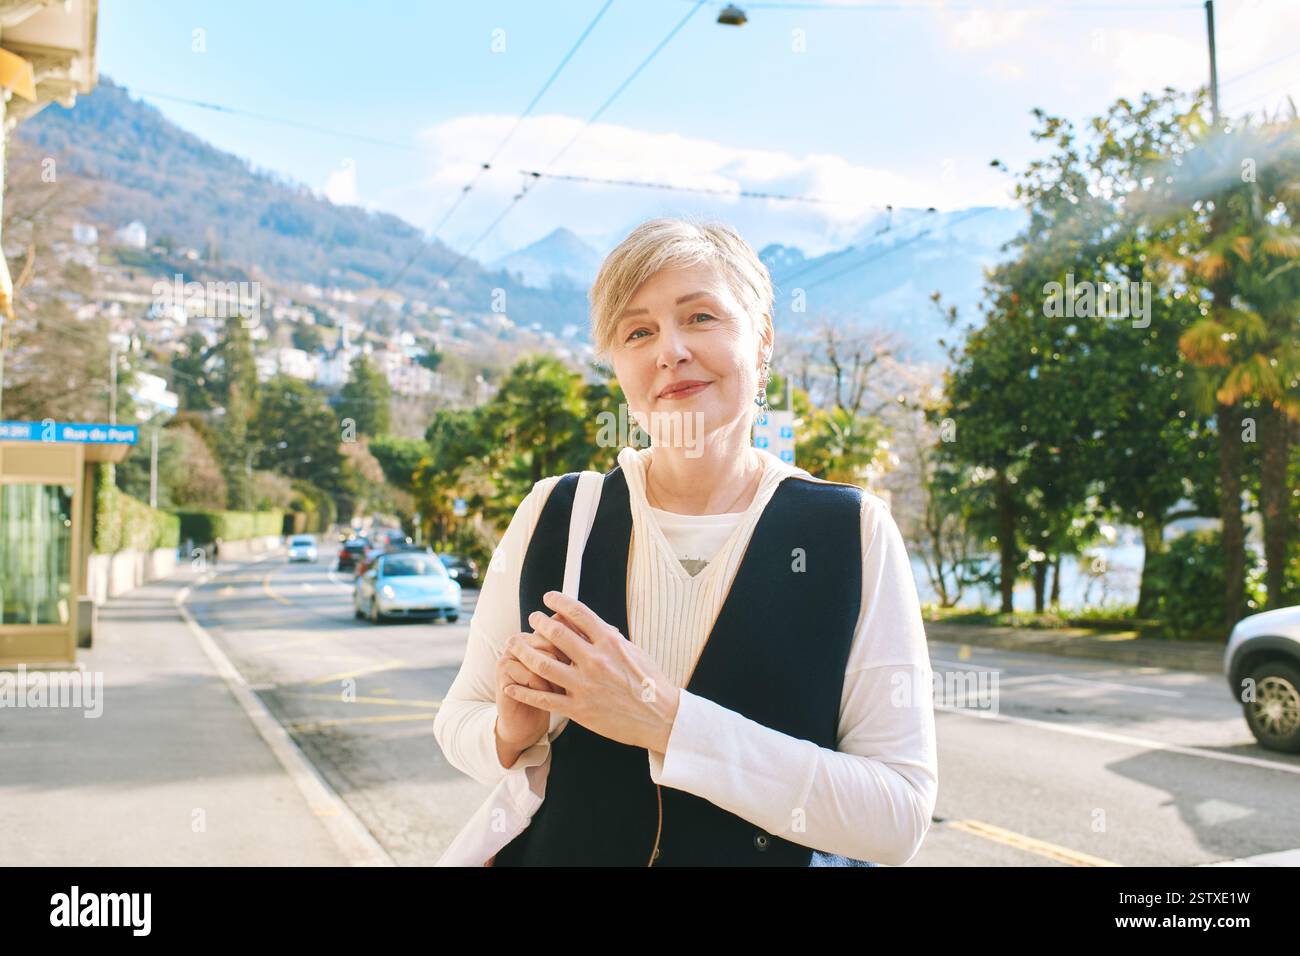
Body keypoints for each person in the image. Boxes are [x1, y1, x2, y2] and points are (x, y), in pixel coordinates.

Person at [433, 217, 937, 866]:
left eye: (700, 317)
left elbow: (896, 817)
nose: (669, 350)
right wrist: (509, 729)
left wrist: (665, 721)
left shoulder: (851, 531)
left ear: (762, 341)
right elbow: (458, 721)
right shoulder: (556, 513)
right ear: (618, 365)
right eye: (638, 331)